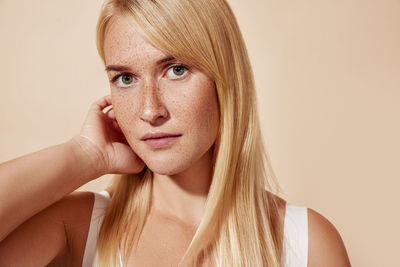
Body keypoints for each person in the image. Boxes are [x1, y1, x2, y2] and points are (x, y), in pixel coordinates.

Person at [0, 0, 351, 266]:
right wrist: (83, 156)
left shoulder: (307, 244)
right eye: (125, 78)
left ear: (225, 79)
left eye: (176, 70)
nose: (150, 110)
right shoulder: (79, 226)